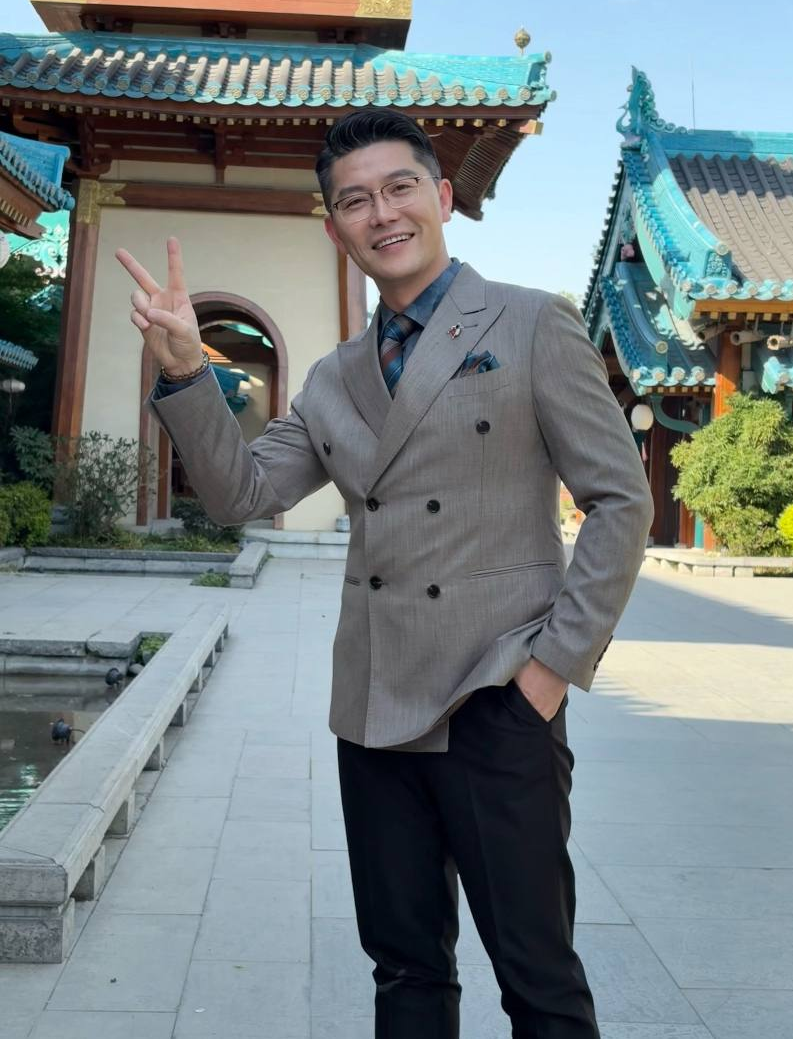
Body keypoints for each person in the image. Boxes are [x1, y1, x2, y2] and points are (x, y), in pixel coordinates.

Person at [117, 108, 653, 1039]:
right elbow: (243, 493)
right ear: (335, 229)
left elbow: (620, 500)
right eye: (354, 201)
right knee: (404, 971)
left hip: (497, 696)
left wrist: (549, 672)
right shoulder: (333, 378)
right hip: (376, 708)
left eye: (400, 188)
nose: (382, 213)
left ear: (441, 197)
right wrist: (184, 375)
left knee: (538, 978)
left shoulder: (533, 322)